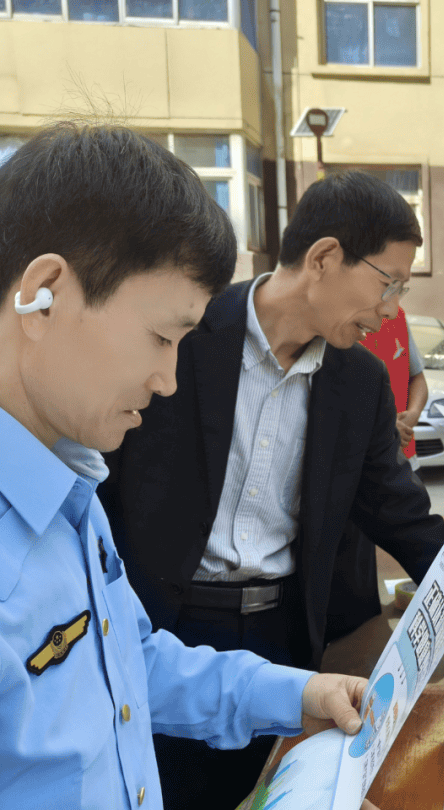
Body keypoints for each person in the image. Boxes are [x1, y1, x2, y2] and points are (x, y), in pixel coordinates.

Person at [100, 171, 444, 810]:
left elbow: (401, 512)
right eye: (388, 282)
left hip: (284, 636)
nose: (392, 308)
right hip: (161, 628)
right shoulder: (184, 336)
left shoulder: (359, 382)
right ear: (325, 258)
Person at [0, 123, 371, 809]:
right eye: (160, 337)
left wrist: (297, 693)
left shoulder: (71, 491)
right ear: (45, 294)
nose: (169, 379)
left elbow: (126, 663)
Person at [360, 306, 427, 468]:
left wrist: (414, 413)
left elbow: (418, 378)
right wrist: (385, 424)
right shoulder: (340, 322)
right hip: (361, 460)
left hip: (405, 457)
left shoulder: (398, 316)